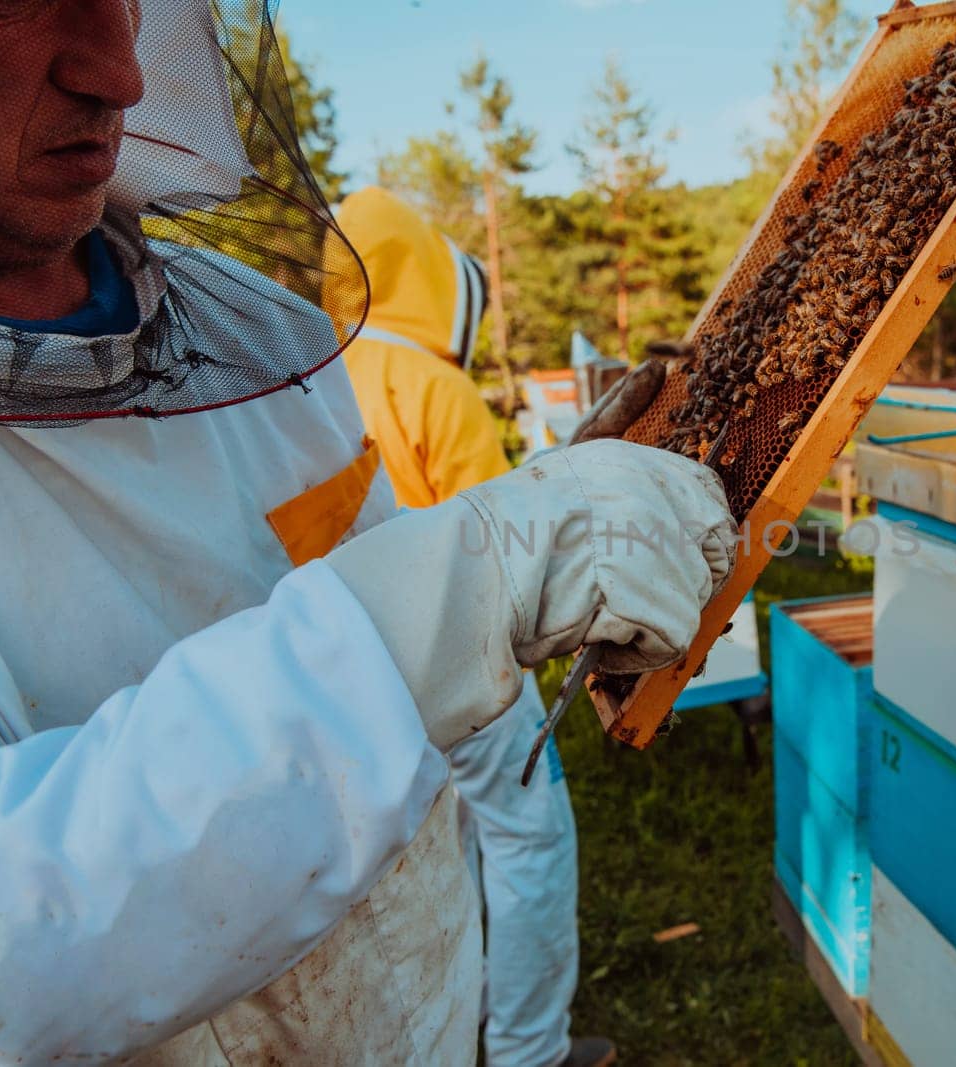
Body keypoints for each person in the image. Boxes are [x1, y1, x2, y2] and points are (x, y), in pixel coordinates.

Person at [0, 2, 734, 1064]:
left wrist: (511, 572)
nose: (119, 70)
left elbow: (394, 625)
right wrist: (457, 596)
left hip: (425, 1008)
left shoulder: (258, 326)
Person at [334, 186, 609, 1067]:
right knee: (527, 840)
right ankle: (529, 1049)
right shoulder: (431, 383)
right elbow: (500, 542)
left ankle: (461, 1023)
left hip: (354, 676)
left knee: (438, 850)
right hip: (462, 659)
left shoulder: (303, 373)